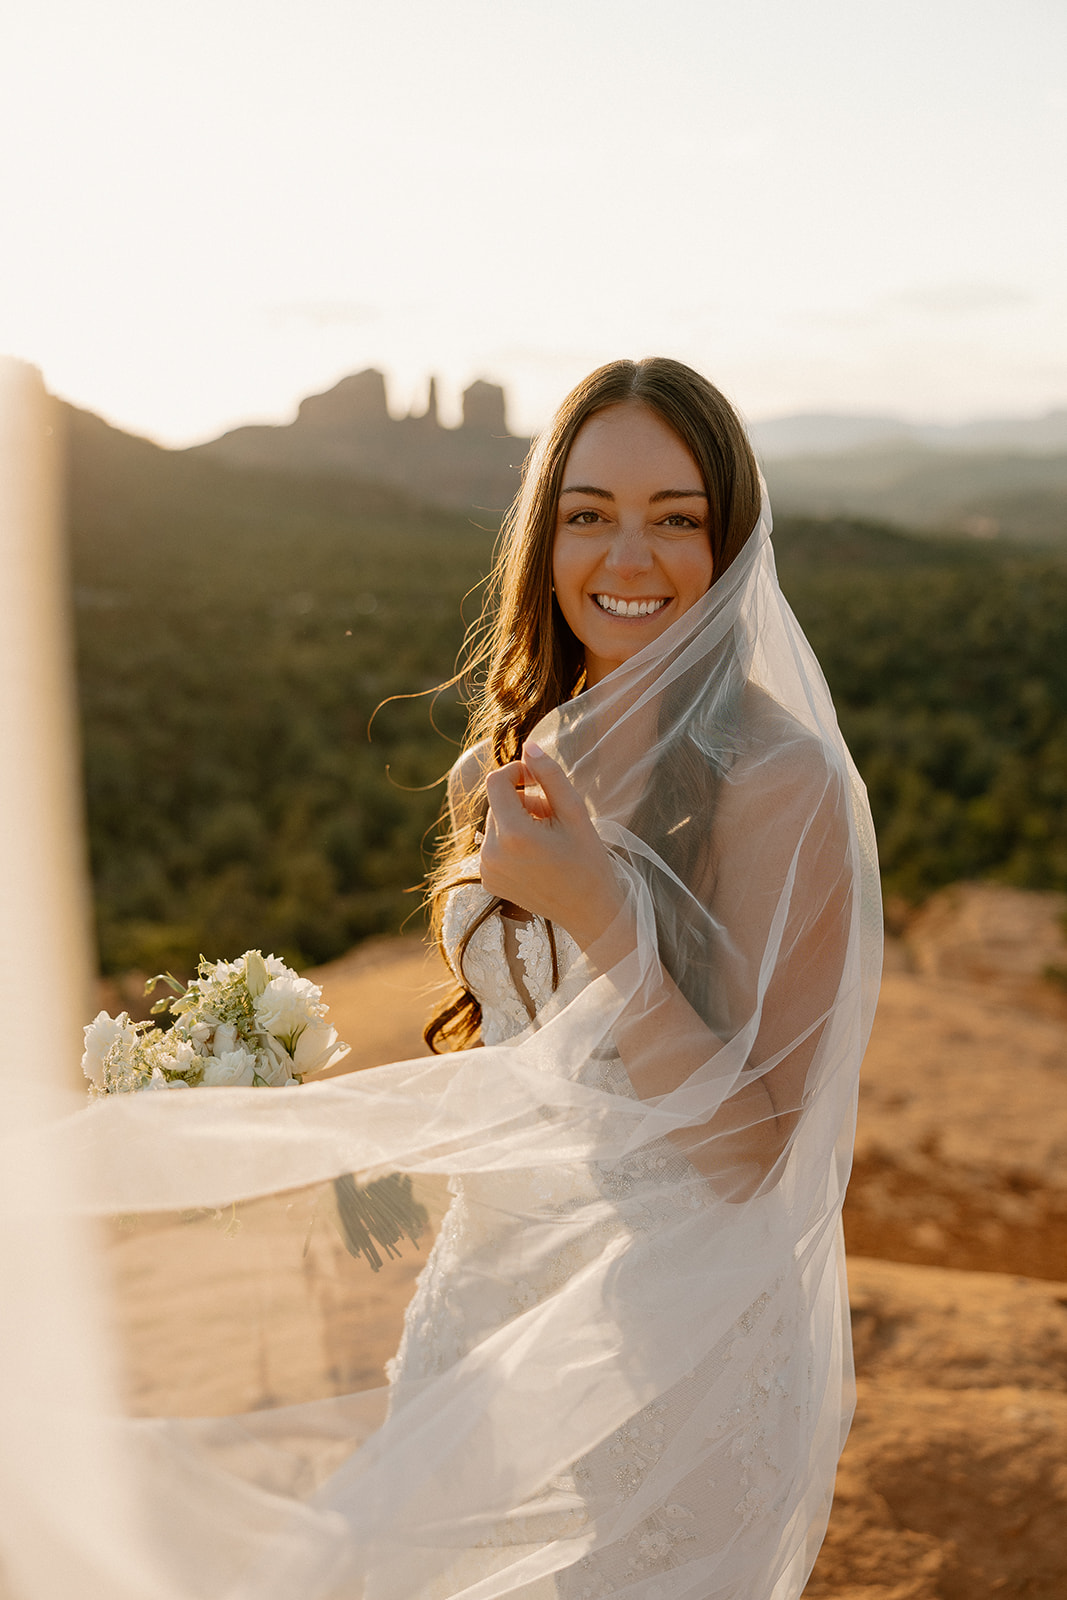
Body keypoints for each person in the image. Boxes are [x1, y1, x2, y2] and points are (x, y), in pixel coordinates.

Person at [16, 357, 880, 1600]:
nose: (625, 558)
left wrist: (601, 918)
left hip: (675, 1349)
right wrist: (296, 1106)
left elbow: (753, 1159)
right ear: (544, 535)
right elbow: (527, 1061)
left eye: (673, 519)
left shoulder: (780, 785)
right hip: (485, 1310)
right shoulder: (504, 762)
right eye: (588, 514)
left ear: (729, 541)